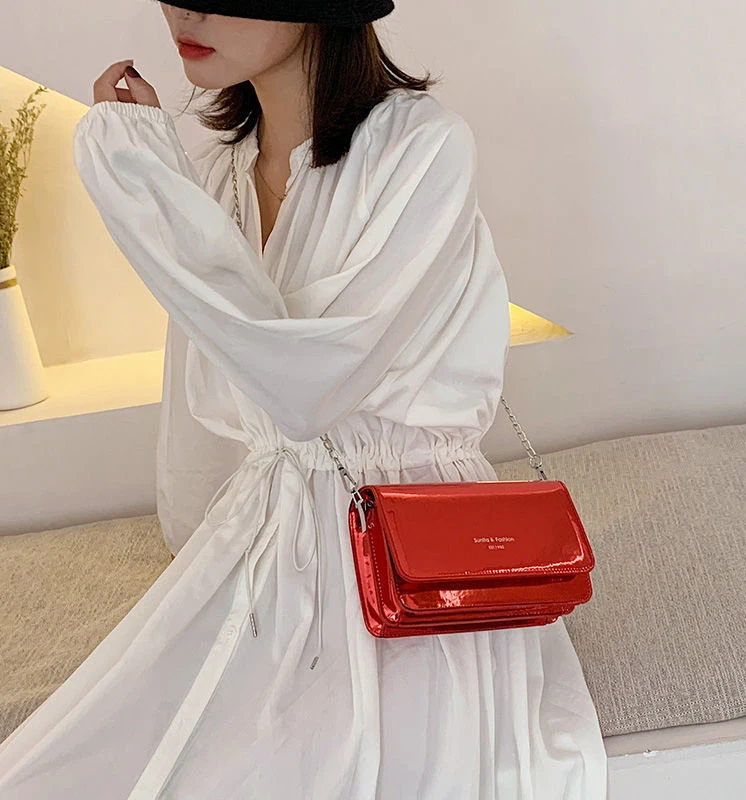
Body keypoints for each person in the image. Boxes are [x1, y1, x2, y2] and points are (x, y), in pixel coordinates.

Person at [0, 2, 608, 797]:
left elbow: (310, 386)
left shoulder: (420, 149)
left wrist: (145, 187)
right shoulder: (222, 170)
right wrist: (207, 554)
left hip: (411, 557)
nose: (185, 12)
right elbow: (205, 403)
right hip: (262, 536)